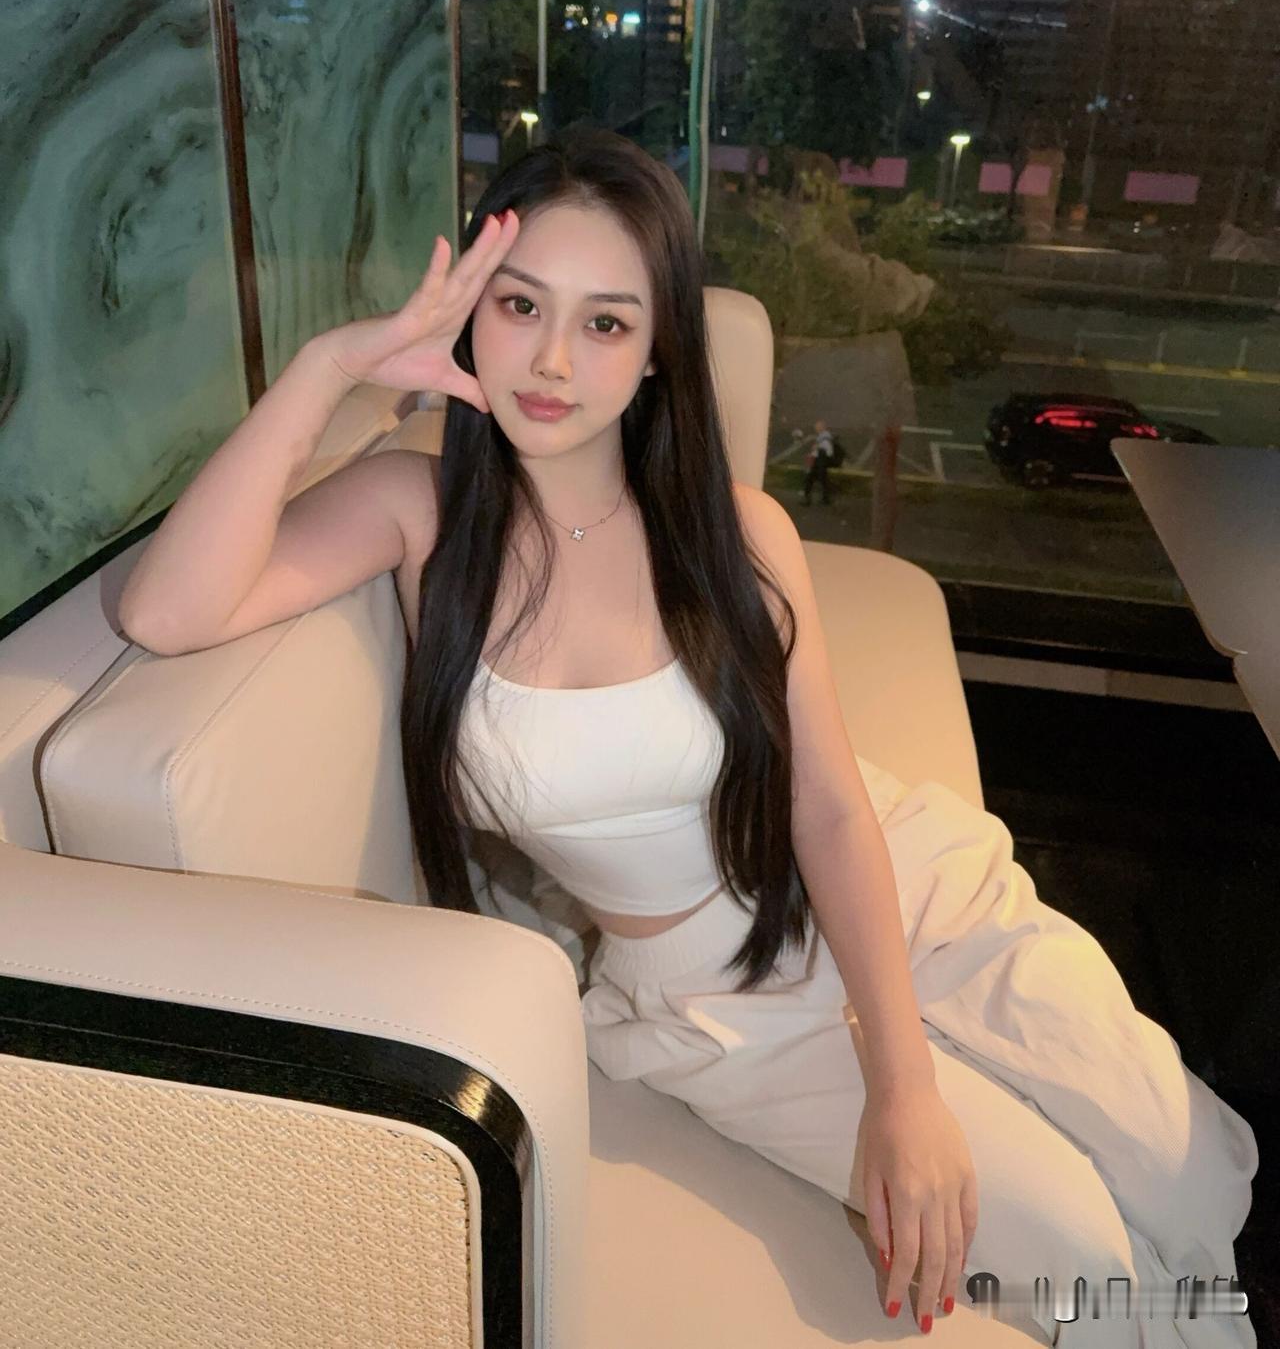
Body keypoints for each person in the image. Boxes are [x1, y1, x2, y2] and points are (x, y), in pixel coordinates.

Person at [118, 128, 1258, 1349]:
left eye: (605, 322)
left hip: (894, 880)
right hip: (716, 1001)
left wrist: (904, 1081)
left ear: (659, 345)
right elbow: (166, 609)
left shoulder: (736, 530)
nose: (552, 360)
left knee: (1185, 1163)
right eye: (519, 305)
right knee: (1078, 1245)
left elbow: (828, 806)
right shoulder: (420, 512)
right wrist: (331, 368)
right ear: (470, 310)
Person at [803, 419, 836, 506]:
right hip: (820, 462)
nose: (815, 428)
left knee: (811, 479)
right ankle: (824, 499)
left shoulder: (824, 438)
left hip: (820, 462)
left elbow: (828, 451)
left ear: (822, 427)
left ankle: (808, 500)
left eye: (817, 427)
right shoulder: (823, 436)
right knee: (822, 480)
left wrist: (816, 449)